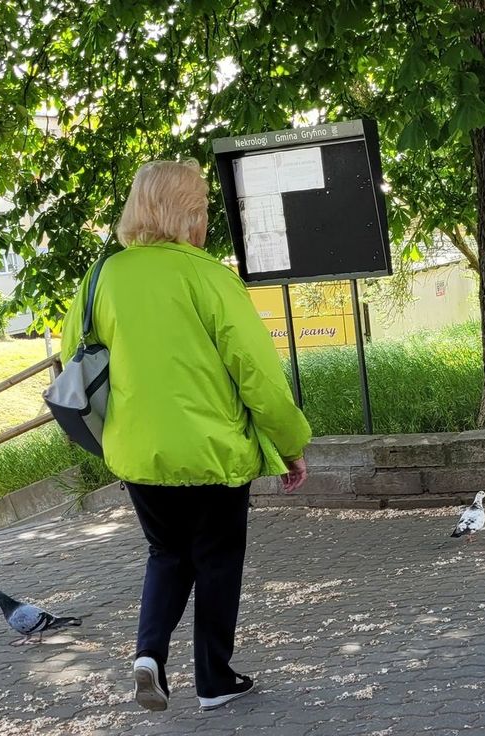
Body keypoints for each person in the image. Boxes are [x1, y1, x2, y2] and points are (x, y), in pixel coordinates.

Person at [61, 159, 311, 713]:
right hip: (211, 451)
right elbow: (257, 373)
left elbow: (73, 361)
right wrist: (290, 445)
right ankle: (214, 680)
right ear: (190, 214)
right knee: (217, 559)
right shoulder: (209, 276)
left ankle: (148, 654)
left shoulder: (101, 279)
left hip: (136, 452)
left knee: (166, 554)